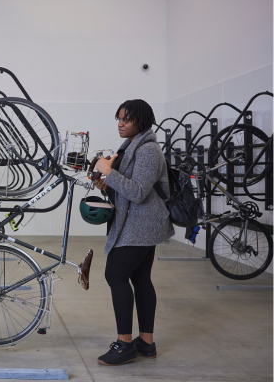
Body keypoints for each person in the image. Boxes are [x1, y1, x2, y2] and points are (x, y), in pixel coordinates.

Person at [93, 99, 174, 366]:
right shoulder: (129, 146)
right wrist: (105, 182)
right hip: (136, 223)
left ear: (141, 120)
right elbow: (127, 186)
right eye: (118, 118)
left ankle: (125, 344)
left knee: (115, 275)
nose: (120, 123)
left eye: (126, 119)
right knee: (140, 279)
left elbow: (138, 192)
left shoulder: (149, 149)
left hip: (142, 225)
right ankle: (146, 344)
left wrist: (108, 172)